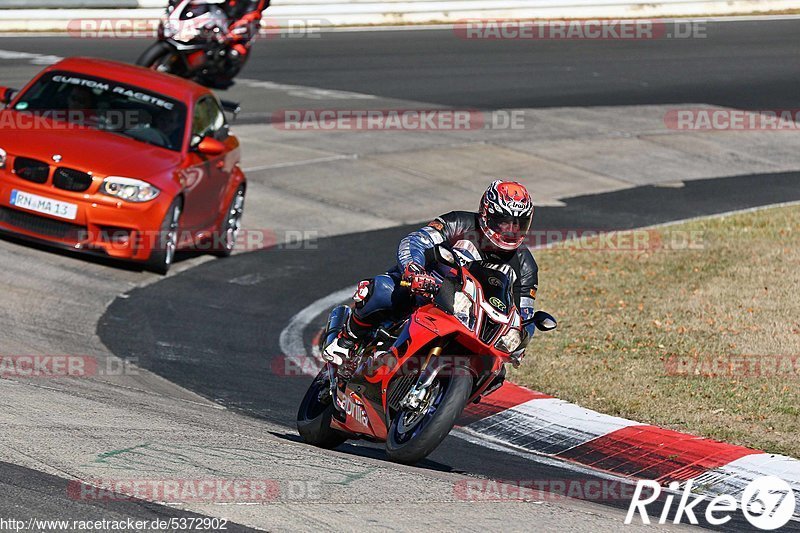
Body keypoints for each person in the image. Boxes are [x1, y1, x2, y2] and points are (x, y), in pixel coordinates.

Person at [323, 180, 540, 389]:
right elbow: (415, 241)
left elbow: (524, 313)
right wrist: (414, 269)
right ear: (487, 214)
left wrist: (521, 339)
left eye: (518, 224)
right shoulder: (459, 222)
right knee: (383, 290)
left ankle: (439, 397)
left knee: (495, 372)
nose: (511, 230)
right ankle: (346, 340)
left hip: (472, 318)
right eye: (504, 221)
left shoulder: (526, 265)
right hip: (426, 289)